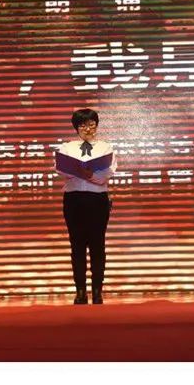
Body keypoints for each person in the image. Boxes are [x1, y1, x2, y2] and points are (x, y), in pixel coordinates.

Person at [55, 108, 117, 305]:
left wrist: (86, 174)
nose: (88, 129)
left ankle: (97, 291)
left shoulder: (105, 147)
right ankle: (80, 291)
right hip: (74, 199)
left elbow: (108, 172)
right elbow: (61, 170)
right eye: (83, 125)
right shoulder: (67, 147)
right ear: (76, 128)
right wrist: (83, 172)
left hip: (97, 199)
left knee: (98, 245)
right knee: (77, 245)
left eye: (91, 124)